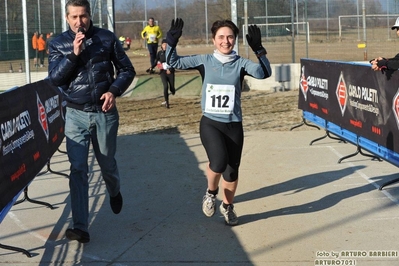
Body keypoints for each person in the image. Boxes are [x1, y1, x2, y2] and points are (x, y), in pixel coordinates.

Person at [165, 18, 272, 225]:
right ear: (214, 40)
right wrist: (171, 42)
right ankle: (211, 193)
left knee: (231, 172)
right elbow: (173, 62)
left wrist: (259, 50)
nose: (226, 41)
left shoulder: (241, 64)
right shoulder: (204, 60)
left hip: (234, 125)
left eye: (230, 37)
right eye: (221, 37)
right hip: (211, 123)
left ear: (235, 40)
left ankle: (228, 206)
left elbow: (264, 73)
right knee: (219, 162)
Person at [48, 0, 135, 243]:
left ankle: (114, 190)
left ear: (90, 16)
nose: (79, 22)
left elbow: (127, 70)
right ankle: (80, 227)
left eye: (83, 16)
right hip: (75, 114)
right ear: (67, 18)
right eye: (74, 17)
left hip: (104, 113)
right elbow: (55, 78)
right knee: (78, 169)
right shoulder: (57, 43)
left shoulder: (106, 38)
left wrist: (114, 91)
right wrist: (73, 54)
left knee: (106, 163)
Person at [152, 39, 175, 108]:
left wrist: (170, 69)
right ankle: (167, 102)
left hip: (170, 72)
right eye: (163, 44)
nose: (165, 46)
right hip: (163, 72)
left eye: (166, 44)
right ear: (161, 45)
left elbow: (174, 62)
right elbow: (156, 61)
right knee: (165, 86)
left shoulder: (171, 52)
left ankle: (172, 89)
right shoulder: (159, 53)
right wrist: (151, 67)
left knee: (172, 87)